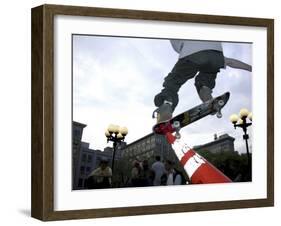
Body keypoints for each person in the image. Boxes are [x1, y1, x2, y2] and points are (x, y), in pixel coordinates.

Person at [153, 40, 252, 123]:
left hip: (191, 54)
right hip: (215, 54)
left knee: (173, 83)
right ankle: (209, 99)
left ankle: (167, 105)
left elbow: (177, 47)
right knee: (204, 82)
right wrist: (251, 68)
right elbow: (231, 62)